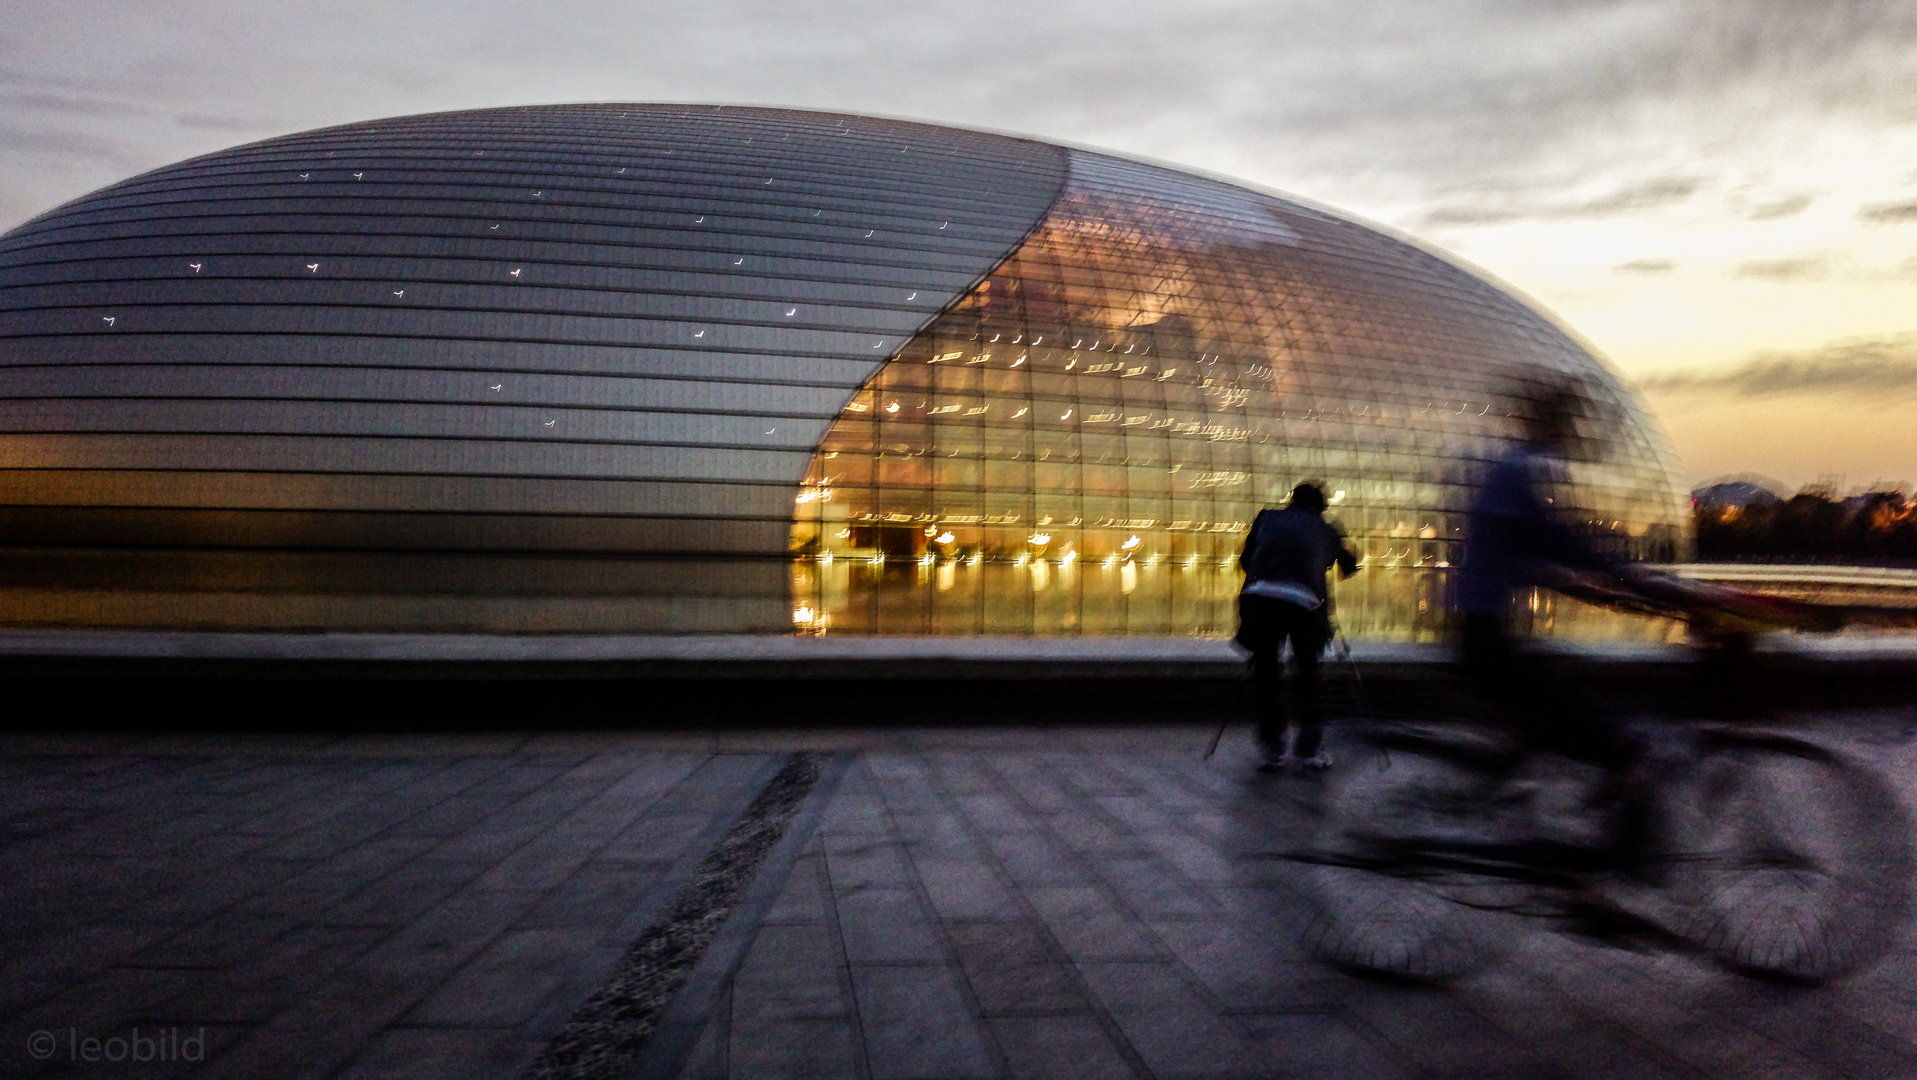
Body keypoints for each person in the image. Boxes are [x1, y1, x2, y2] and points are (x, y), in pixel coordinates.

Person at [1454, 387, 1643, 811]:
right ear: (1546, 424)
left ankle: (1492, 802)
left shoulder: (1514, 470)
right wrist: (1619, 573)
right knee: (1583, 722)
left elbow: (1530, 554)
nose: (1569, 436)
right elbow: (1549, 539)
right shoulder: (1515, 472)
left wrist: (1605, 586)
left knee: (1546, 717)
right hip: (1483, 633)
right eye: (1565, 425)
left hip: (1485, 628)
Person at [1237, 482, 1360, 772]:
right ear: (1321, 507)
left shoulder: (1267, 518)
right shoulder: (1325, 528)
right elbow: (1348, 567)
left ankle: (1272, 748)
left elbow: (1246, 560)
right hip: (1304, 604)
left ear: (1291, 500)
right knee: (1309, 675)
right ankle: (1309, 752)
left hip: (1259, 599)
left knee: (1267, 674)